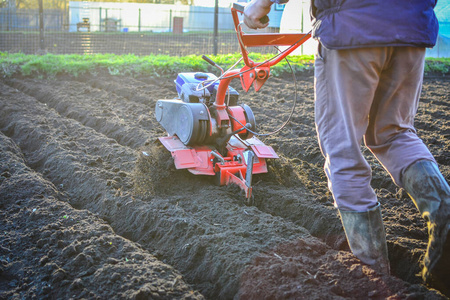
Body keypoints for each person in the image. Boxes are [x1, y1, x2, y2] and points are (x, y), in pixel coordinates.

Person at [244, 0, 449, 293]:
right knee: (395, 133)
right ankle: (444, 209)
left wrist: (261, 4)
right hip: (412, 26)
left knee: (342, 150)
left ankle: (375, 281)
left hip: (352, 28)